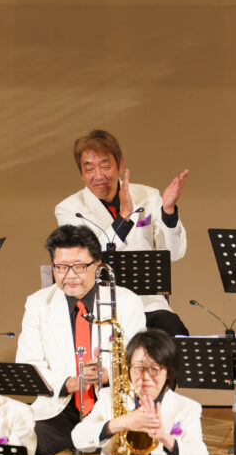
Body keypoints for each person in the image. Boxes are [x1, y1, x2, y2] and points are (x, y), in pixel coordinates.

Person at [16, 224, 146, 455]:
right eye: (61, 267)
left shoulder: (126, 301)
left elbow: (140, 360)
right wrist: (70, 382)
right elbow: (28, 363)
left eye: (78, 266)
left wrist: (107, 374)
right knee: (16, 444)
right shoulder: (38, 303)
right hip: (62, 405)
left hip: (109, 402)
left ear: (97, 266)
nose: (69, 275)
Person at [55, 129, 189, 336]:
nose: (98, 176)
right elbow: (89, 257)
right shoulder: (69, 209)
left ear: (120, 164)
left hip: (147, 303)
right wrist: (123, 218)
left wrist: (168, 212)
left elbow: (175, 253)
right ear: (81, 173)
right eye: (89, 169)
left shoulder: (148, 196)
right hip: (99, 304)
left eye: (105, 166)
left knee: (173, 329)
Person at [73, 329, 208, 455]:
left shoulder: (186, 407)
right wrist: (121, 422)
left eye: (154, 369)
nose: (144, 377)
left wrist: (165, 438)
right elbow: (78, 438)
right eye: (137, 368)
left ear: (168, 371)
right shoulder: (110, 398)